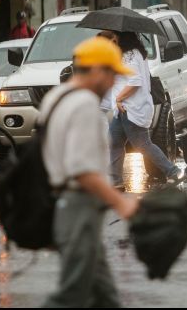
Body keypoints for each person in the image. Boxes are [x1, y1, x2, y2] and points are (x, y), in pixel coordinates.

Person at [40, 37, 139, 307]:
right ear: (97, 71)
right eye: (112, 75)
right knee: (71, 295)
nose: (112, 83)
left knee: (105, 296)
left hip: (65, 202)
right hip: (78, 206)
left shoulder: (58, 96)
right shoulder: (84, 104)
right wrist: (121, 203)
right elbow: (82, 170)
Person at [104, 31, 185, 188]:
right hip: (122, 109)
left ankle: (174, 172)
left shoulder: (131, 55)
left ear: (123, 37)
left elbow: (135, 82)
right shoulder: (131, 54)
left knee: (143, 144)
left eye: (115, 36)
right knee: (114, 142)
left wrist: (119, 98)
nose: (113, 39)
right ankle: (115, 182)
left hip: (131, 108)